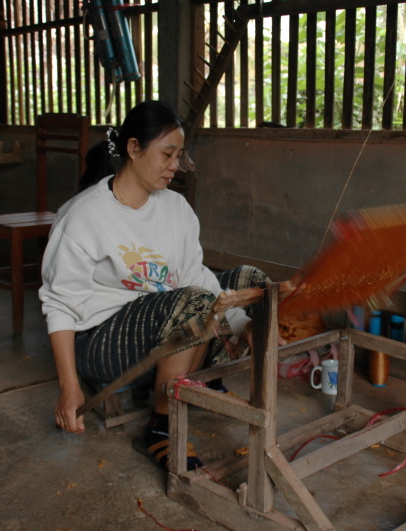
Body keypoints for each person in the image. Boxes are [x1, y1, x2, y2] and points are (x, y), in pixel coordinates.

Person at [39, 100, 269, 471]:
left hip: (171, 328)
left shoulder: (176, 209)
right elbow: (60, 305)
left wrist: (246, 325)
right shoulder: (84, 216)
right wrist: (69, 387)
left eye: (179, 155)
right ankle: (162, 426)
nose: (175, 165)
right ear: (133, 148)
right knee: (194, 303)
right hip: (105, 343)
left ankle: (198, 380)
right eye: (166, 154)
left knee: (253, 282)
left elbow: (197, 276)